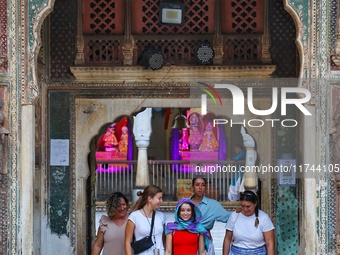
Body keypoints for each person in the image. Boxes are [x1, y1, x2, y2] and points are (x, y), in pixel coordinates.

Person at [222, 190, 275, 255]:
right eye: (243, 206)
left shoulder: (263, 218)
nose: (245, 209)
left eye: (248, 206)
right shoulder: (234, 216)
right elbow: (227, 238)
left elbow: (270, 243)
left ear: (255, 204)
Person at [190, 176, 232, 255]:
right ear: (192, 187)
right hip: (187, 243)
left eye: (203, 185)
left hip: (206, 244)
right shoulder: (185, 204)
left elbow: (228, 217)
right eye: (197, 184)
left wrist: (240, 212)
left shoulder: (213, 204)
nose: (200, 187)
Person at [125, 185, 166, 255]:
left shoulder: (161, 216)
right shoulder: (134, 216)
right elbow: (127, 242)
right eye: (159, 198)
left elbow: (163, 240)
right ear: (150, 198)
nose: (161, 201)